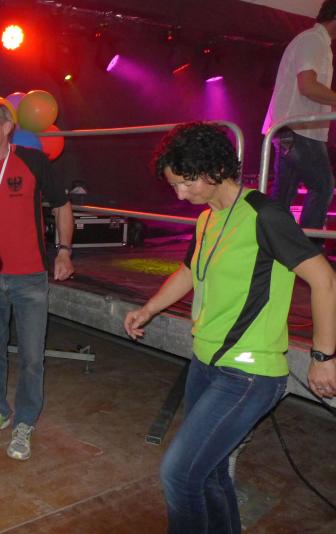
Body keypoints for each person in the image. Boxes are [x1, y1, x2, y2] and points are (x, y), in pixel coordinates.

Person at [123, 122, 336, 533]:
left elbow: (325, 280)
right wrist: (148, 309)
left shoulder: (264, 215)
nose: (180, 195)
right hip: (205, 362)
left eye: (185, 183)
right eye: (174, 185)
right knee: (211, 472)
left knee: (179, 475)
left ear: (214, 170)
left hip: (249, 372)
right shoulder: (208, 218)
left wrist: (323, 356)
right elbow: (189, 271)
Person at [0, 98, 75, 461]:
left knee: (32, 356)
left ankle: (24, 421)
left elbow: (62, 205)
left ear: (7, 128)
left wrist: (64, 251)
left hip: (29, 277)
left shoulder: (34, 161)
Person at [262, 0, 336, 233]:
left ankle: (271, 245)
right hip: (299, 129)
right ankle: (308, 249)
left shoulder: (316, 42)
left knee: (283, 194)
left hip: (292, 128)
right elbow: (308, 86)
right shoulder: (313, 40)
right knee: (323, 186)